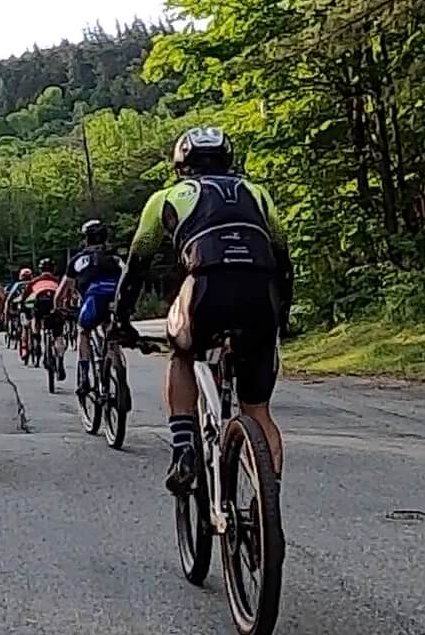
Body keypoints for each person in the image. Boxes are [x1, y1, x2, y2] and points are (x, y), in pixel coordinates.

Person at [114, 127, 292, 494]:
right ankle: (266, 504)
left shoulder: (167, 197)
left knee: (181, 353)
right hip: (261, 292)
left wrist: (122, 319)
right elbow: (283, 259)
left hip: (204, 288)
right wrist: (283, 317)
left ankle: (183, 449)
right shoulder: (257, 193)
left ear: (181, 164)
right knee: (257, 409)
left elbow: (137, 265)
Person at [62, 218, 124, 396]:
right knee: (110, 329)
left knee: (83, 331)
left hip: (94, 301)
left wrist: (58, 305)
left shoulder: (78, 260)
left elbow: (62, 291)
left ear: (85, 239)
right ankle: (116, 363)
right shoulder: (115, 257)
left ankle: (84, 376)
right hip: (118, 301)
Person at [23, 259, 63, 364]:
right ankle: (60, 358)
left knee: (35, 317)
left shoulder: (35, 281)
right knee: (58, 334)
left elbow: (25, 297)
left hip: (40, 302)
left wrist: (24, 309)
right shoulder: (57, 281)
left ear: (40, 269)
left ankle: (36, 338)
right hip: (53, 302)